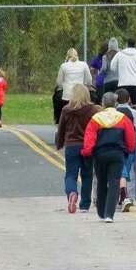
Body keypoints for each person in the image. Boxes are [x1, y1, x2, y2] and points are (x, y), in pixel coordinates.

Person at [80, 91, 136, 222]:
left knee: (101, 181)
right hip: (117, 154)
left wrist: (87, 153)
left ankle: (101, 211)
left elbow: (89, 138)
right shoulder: (123, 118)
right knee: (114, 182)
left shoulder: (96, 119)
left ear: (103, 103)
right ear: (116, 103)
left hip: (100, 154)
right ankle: (109, 215)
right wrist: (129, 150)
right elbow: (130, 137)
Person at [55, 83, 99, 213]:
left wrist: (59, 143)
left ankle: (72, 193)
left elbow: (61, 128)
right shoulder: (92, 110)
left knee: (70, 174)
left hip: (71, 145)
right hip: (87, 145)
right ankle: (85, 204)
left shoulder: (66, 110)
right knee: (87, 175)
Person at [55, 48, 93, 117]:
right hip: (81, 96)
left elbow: (59, 82)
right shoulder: (84, 65)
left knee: (66, 115)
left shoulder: (63, 66)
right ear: (77, 55)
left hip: (67, 96)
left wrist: (64, 86)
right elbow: (89, 81)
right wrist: (84, 85)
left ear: (67, 56)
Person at [109, 38, 136, 104]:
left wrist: (119, 71)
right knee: (134, 104)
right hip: (135, 83)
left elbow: (112, 67)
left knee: (122, 103)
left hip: (123, 83)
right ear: (135, 45)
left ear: (127, 44)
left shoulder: (119, 54)